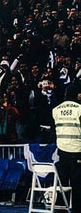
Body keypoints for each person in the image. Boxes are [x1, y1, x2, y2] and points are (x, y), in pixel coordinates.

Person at [52, 84, 81, 213]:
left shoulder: (56, 109)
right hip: (77, 150)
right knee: (77, 183)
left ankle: (61, 207)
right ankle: (77, 208)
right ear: (78, 94)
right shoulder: (79, 108)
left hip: (62, 149)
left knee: (62, 181)